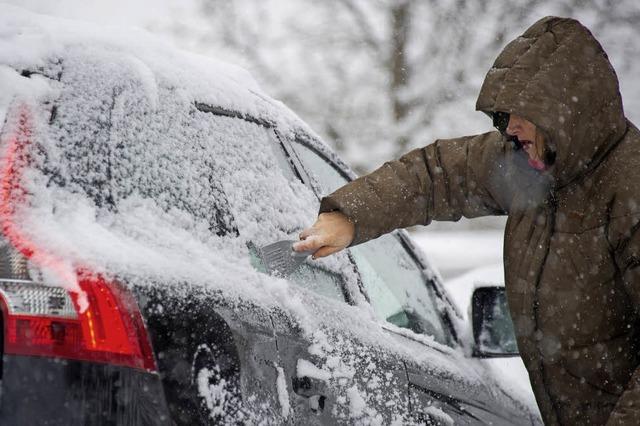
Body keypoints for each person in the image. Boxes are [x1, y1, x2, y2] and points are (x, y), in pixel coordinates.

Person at [294, 16, 640, 426]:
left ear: (563, 111)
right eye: (506, 114)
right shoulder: (529, 166)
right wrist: (349, 218)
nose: (509, 126)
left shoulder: (628, 187)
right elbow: (434, 176)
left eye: (521, 113)